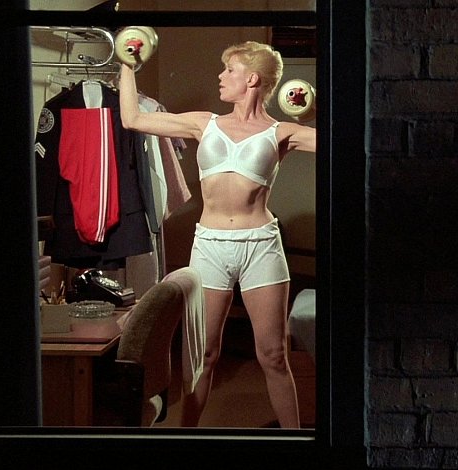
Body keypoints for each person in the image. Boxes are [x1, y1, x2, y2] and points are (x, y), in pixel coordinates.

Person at [119, 41, 316, 428]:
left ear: (252, 79)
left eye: (229, 70)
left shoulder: (282, 132)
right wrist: (129, 64)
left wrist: (313, 106)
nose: (221, 77)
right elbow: (132, 119)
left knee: (274, 356)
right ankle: (187, 439)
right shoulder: (204, 123)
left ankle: (296, 443)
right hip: (210, 246)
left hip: (261, 246)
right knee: (203, 356)